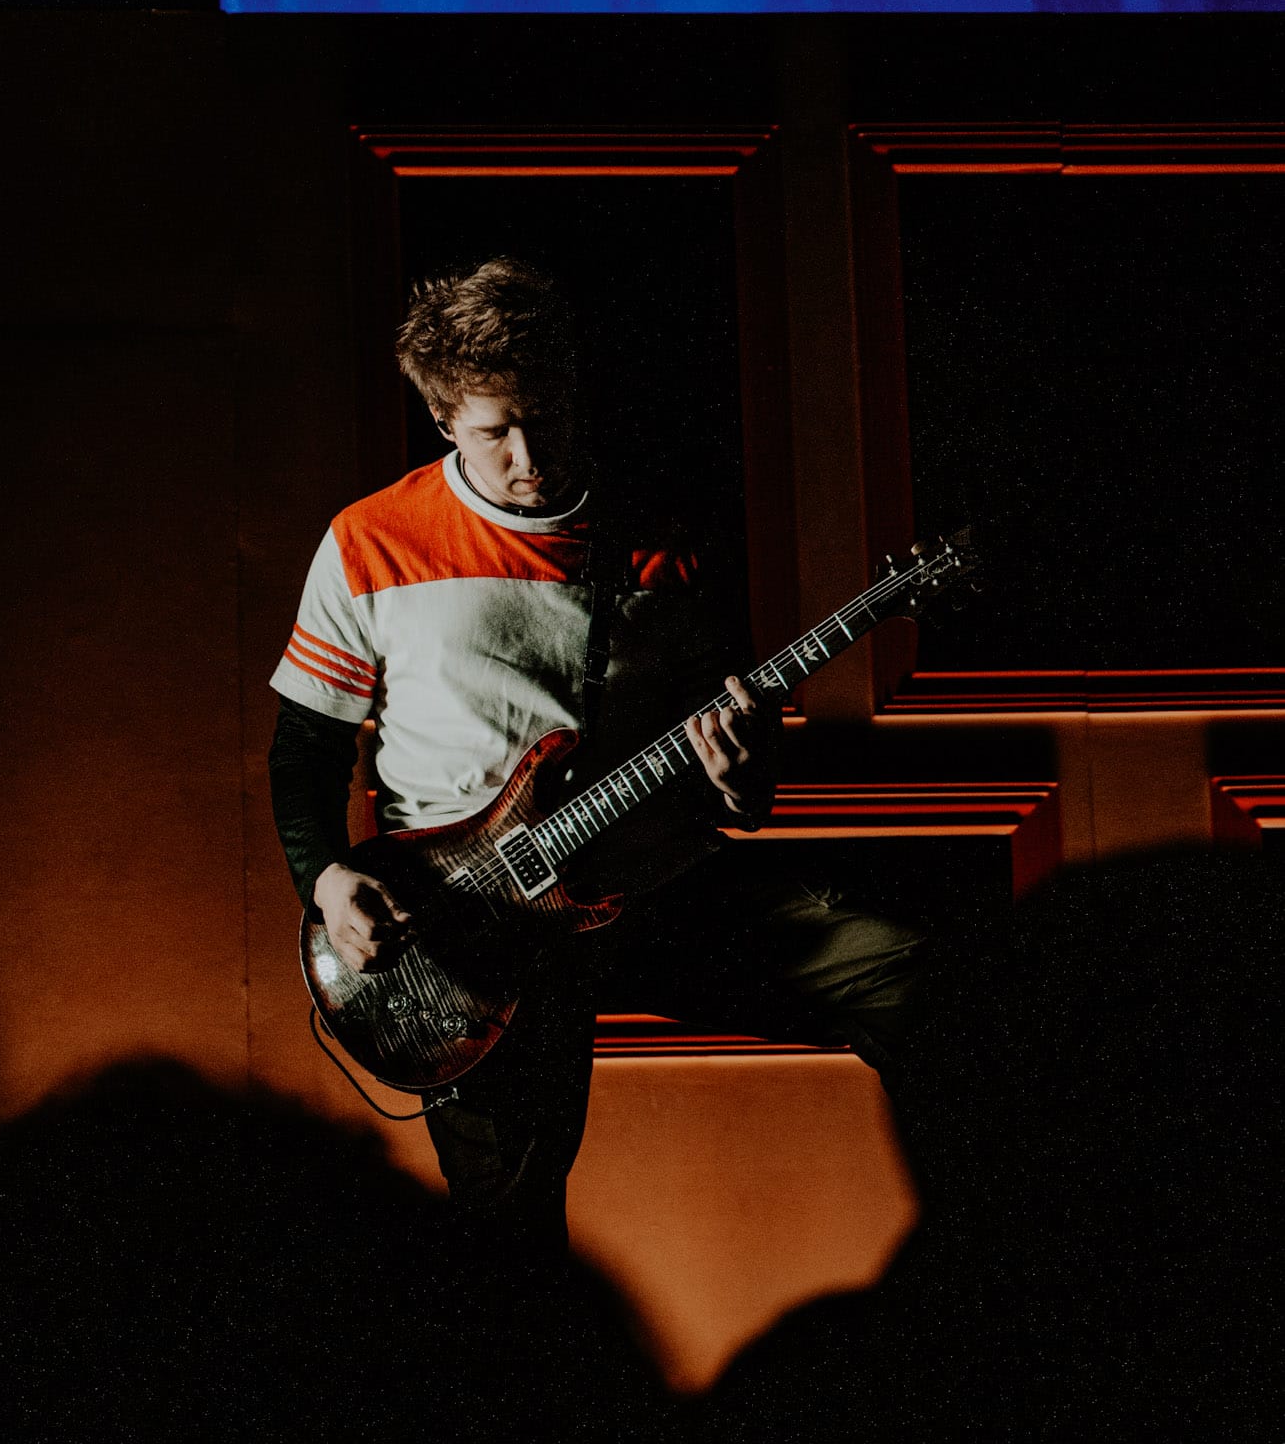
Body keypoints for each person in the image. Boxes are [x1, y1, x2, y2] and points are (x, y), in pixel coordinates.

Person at [268, 256, 923, 1254]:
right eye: (494, 430)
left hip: (648, 890)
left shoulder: (662, 542)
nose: (528, 455)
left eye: (546, 417)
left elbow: (738, 785)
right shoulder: (371, 541)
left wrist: (738, 776)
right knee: (509, 1238)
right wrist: (325, 878)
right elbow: (304, 750)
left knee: (918, 983)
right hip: (464, 929)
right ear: (443, 420)